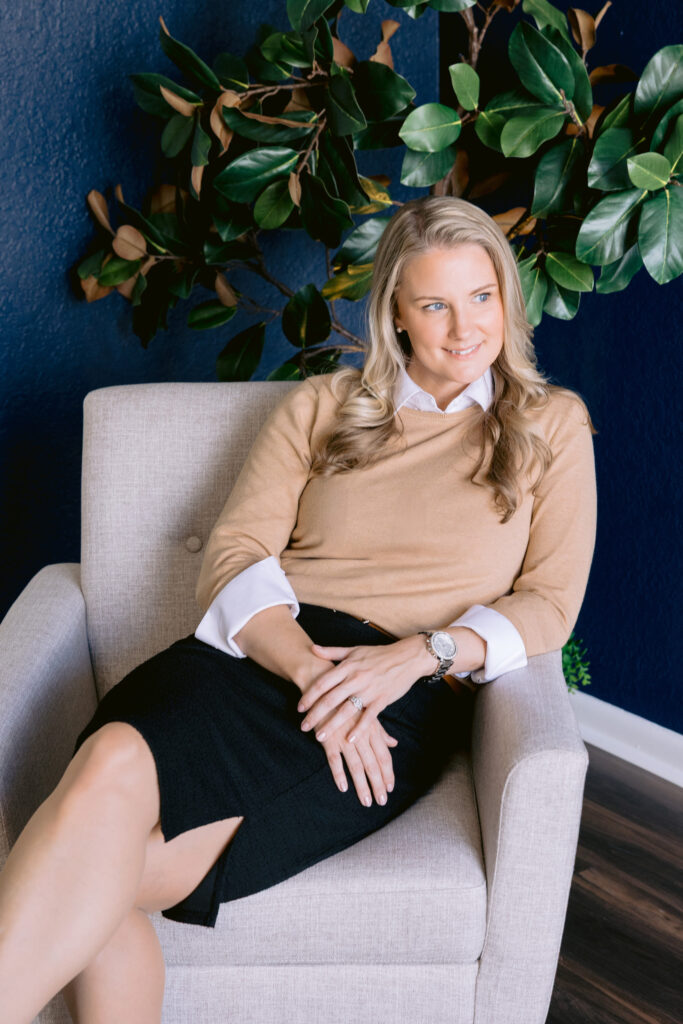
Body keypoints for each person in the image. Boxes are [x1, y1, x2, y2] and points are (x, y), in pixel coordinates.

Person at [0, 195, 598, 1022]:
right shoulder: (322, 405)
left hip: (397, 698)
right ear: (395, 311)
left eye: (481, 298)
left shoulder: (548, 426)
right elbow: (236, 553)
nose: (463, 330)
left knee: (90, 875)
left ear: (507, 298)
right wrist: (316, 673)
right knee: (104, 772)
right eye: (434, 304)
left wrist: (418, 656)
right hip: (257, 656)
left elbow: (548, 602)